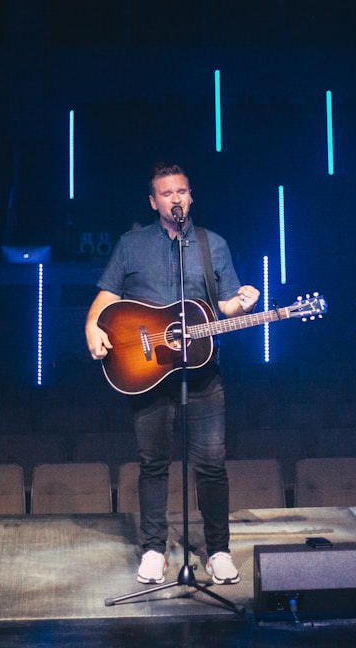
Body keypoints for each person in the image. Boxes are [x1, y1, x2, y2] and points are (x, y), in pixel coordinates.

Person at [84, 160, 260, 586]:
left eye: (181, 191)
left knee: (212, 464)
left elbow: (224, 307)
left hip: (202, 374)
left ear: (190, 195)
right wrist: (92, 325)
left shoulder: (211, 244)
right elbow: (106, 297)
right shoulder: (131, 244)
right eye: (166, 193)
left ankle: (218, 551)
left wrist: (245, 303)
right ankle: (152, 550)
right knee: (153, 464)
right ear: (153, 201)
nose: (175, 198)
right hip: (146, 371)